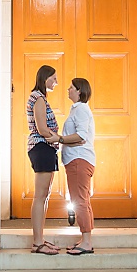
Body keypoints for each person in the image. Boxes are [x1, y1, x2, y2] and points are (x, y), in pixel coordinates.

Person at [26, 64, 62, 254]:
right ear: (45, 78)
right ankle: (37, 242)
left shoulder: (39, 98)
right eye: (53, 78)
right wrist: (58, 138)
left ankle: (40, 239)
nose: (56, 82)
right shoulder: (38, 98)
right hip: (41, 147)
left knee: (44, 196)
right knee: (40, 196)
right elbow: (41, 129)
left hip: (45, 148)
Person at [61, 77, 96, 255]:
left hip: (79, 160)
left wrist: (60, 139)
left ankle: (87, 242)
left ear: (79, 91)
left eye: (71, 87)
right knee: (83, 199)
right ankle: (85, 239)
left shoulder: (81, 109)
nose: (68, 89)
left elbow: (81, 136)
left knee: (80, 200)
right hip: (77, 160)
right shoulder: (77, 110)